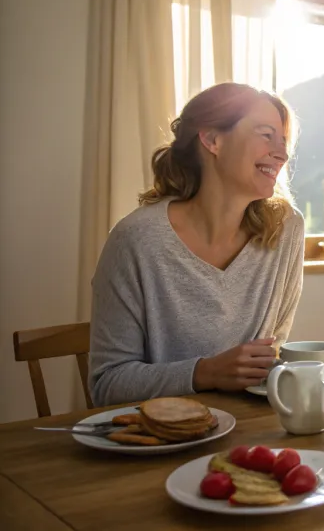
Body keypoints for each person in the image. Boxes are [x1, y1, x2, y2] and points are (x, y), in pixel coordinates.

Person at [89, 82, 305, 407]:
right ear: (213, 139)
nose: (281, 152)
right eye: (266, 135)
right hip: (158, 445)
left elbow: (267, 361)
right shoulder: (135, 241)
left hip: (249, 432)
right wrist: (205, 373)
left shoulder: (285, 230)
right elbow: (107, 384)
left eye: (283, 140)